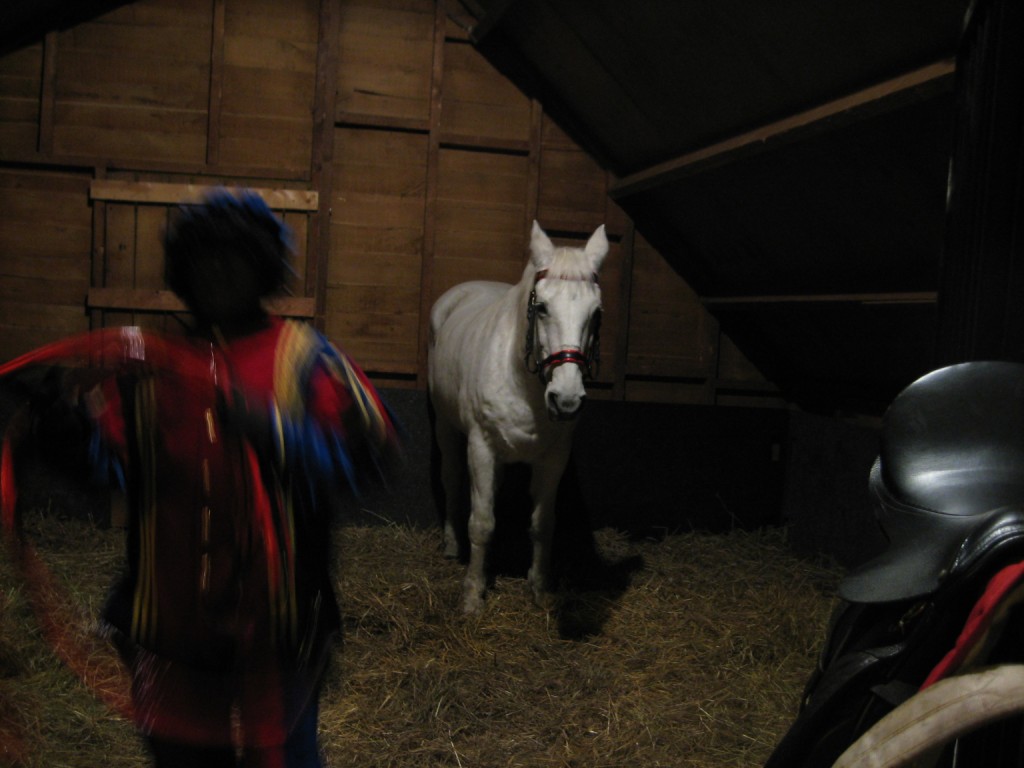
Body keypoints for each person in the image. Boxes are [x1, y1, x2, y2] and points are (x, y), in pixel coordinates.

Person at [3, 189, 400, 767]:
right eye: (202, 256)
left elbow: (372, 459)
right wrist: (64, 437)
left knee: (283, 757)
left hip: (277, 631)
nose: (216, 268)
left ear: (261, 265)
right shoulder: (149, 368)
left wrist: (274, 431)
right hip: (170, 634)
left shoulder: (304, 358)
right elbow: (113, 468)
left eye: (232, 255)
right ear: (181, 269)